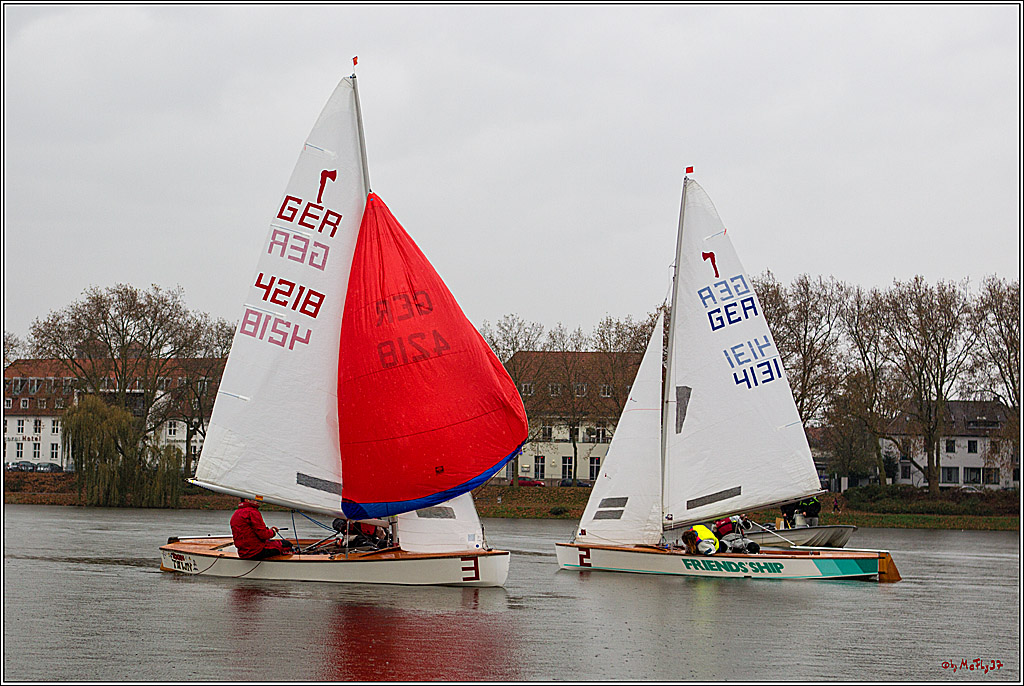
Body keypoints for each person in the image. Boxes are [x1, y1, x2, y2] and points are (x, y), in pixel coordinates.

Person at [230, 497, 295, 560]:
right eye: (255, 499)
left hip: (243, 552)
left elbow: (253, 532)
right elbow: (264, 535)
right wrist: (273, 531)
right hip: (256, 552)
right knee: (287, 544)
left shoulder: (236, 513)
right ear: (247, 499)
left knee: (274, 543)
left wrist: (269, 530)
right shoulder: (252, 512)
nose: (257, 501)